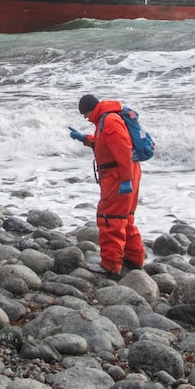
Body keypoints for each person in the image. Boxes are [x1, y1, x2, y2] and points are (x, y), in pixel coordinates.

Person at [68, 93, 146, 277]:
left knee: (110, 218)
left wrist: (125, 179)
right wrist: (85, 139)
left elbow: (123, 151)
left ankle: (110, 266)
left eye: (85, 114)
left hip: (118, 176)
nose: (85, 118)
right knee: (125, 218)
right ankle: (134, 259)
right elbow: (107, 146)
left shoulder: (109, 121)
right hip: (124, 173)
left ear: (90, 109)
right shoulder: (107, 119)